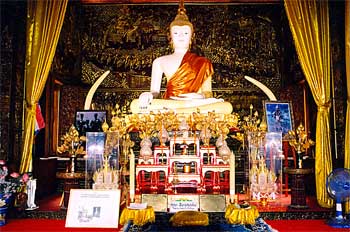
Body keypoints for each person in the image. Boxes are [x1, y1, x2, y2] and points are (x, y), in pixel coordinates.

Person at [130, 3, 232, 114]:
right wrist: (148, 95)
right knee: (135, 105)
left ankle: (185, 109)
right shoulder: (159, 61)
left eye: (185, 32)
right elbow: (155, 92)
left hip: (196, 102)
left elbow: (208, 93)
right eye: (176, 33)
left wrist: (199, 96)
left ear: (191, 37)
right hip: (171, 102)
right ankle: (189, 110)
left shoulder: (204, 62)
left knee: (226, 107)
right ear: (170, 37)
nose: (181, 36)